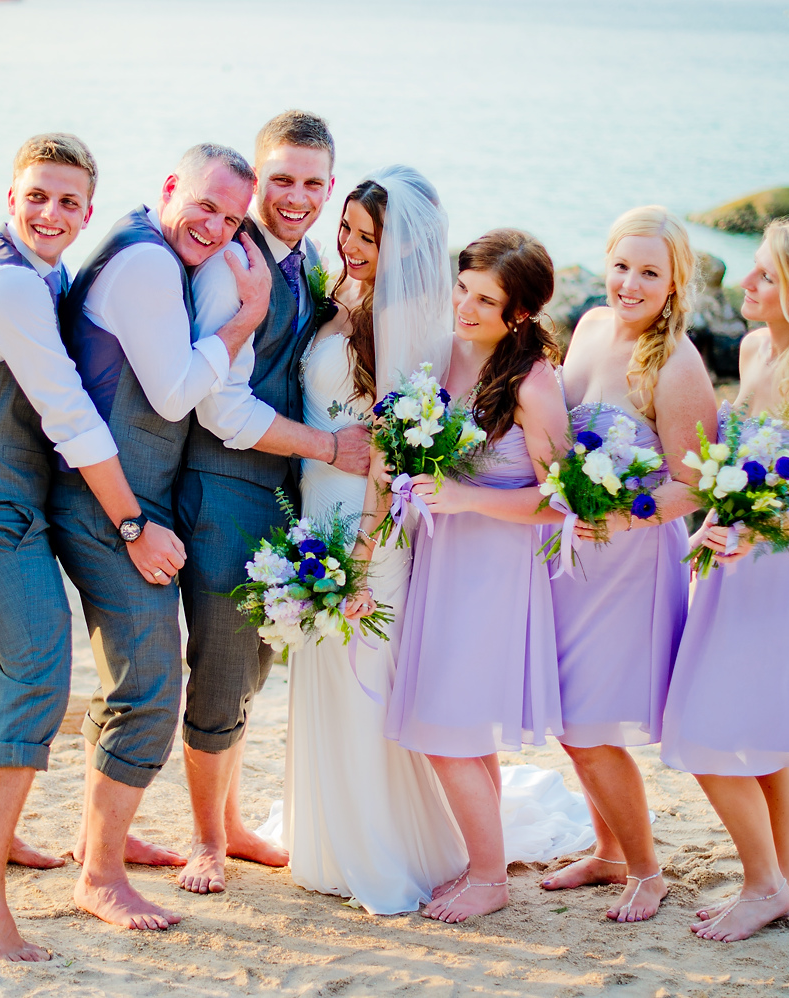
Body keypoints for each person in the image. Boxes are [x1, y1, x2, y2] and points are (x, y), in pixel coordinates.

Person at [0, 134, 179, 959]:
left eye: (69, 201)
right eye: (37, 195)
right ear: (11, 196)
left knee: (18, 662)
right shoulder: (11, 284)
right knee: (41, 669)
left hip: (10, 503)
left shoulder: (47, 274)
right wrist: (134, 524)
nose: (51, 212)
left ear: (88, 211)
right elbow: (70, 415)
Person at [51, 143, 271, 929]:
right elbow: (176, 395)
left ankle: (97, 842)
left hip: (123, 500)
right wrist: (246, 319)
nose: (214, 227)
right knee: (148, 686)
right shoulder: (147, 262)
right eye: (204, 205)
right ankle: (100, 877)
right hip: (112, 507)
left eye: (232, 219)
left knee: (130, 680)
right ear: (171, 186)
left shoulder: (148, 247)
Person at [660, 218, 789, 942]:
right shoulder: (753, 349)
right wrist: (716, 526)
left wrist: (759, 529)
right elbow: (733, 471)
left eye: (766, 276)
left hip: (782, 579)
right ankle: (785, 885)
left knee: (704, 734)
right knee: (765, 740)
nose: (746, 282)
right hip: (730, 572)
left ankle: (762, 885)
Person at [266, 167, 467, 914]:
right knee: (325, 672)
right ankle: (327, 837)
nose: (349, 246)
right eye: (346, 228)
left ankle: (378, 847)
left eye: (367, 238)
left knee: (361, 679)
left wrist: (361, 551)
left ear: (401, 248)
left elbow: (392, 452)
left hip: (365, 526)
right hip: (317, 506)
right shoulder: (340, 295)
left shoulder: (402, 323)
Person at [181, 111, 370, 895]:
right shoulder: (231, 265)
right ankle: (205, 842)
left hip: (281, 494)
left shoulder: (307, 260)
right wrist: (327, 448)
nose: (297, 197)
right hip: (223, 488)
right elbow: (218, 405)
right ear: (257, 180)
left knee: (256, 663)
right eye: (282, 180)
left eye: (312, 183)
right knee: (222, 669)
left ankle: (228, 822)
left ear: (330, 186)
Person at [383, 229, 571, 923]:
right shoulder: (450, 354)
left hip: (492, 567)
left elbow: (561, 500)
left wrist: (466, 498)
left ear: (519, 313)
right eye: (461, 289)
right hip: (442, 559)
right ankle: (482, 864)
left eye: (485, 300)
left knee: (444, 726)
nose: (464, 306)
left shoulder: (533, 383)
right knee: (462, 728)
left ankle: (491, 879)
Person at [539, 207, 716, 922]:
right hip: (573, 561)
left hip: (631, 566)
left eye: (649, 272)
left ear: (674, 283)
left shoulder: (676, 363)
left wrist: (619, 515)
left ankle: (647, 870)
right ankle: (608, 852)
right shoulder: (587, 327)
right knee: (571, 720)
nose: (629, 284)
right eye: (621, 266)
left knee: (587, 724)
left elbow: (694, 485)